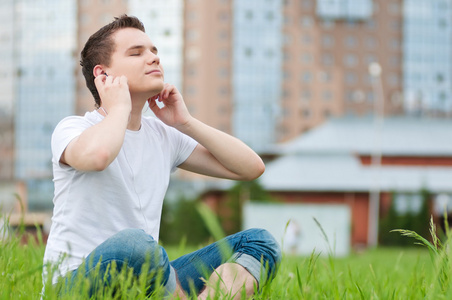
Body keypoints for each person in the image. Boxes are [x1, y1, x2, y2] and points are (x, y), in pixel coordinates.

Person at [42, 15, 280, 299]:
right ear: (103, 75)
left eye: (154, 51)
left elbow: (250, 168)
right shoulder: (74, 128)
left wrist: (186, 123)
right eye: (137, 53)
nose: (153, 58)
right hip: (76, 286)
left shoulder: (164, 135)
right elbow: (99, 156)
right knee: (135, 245)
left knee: (259, 242)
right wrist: (119, 108)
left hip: (147, 280)